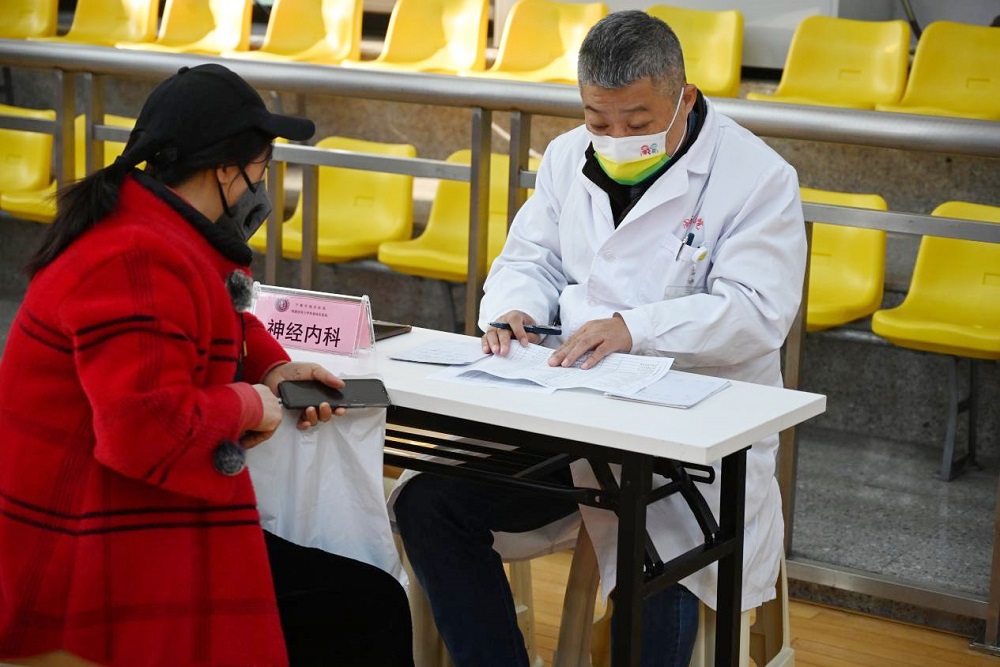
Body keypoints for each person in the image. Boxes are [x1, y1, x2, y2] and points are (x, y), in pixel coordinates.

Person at [394, 11, 806, 666]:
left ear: (685, 98)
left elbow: (758, 312)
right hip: (567, 420)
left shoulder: (755, 177)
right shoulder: (566, 157)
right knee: (428, 503)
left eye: (638, 123)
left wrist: (635, 329)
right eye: (598, 120)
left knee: (661, 562)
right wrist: (513, 310)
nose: (617, 139)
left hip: (686, 445)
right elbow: (529, 259)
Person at [0, 64, 412, 666]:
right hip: (88, 556)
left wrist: (271, 369)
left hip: (124, 521)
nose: (262, 187)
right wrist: (248, 404)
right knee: (365, 608)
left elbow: (211, 318)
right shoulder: (136, 257)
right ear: (225, 170)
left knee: (360, 602)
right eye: (261, 169)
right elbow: (141, 427)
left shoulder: (148, 229)